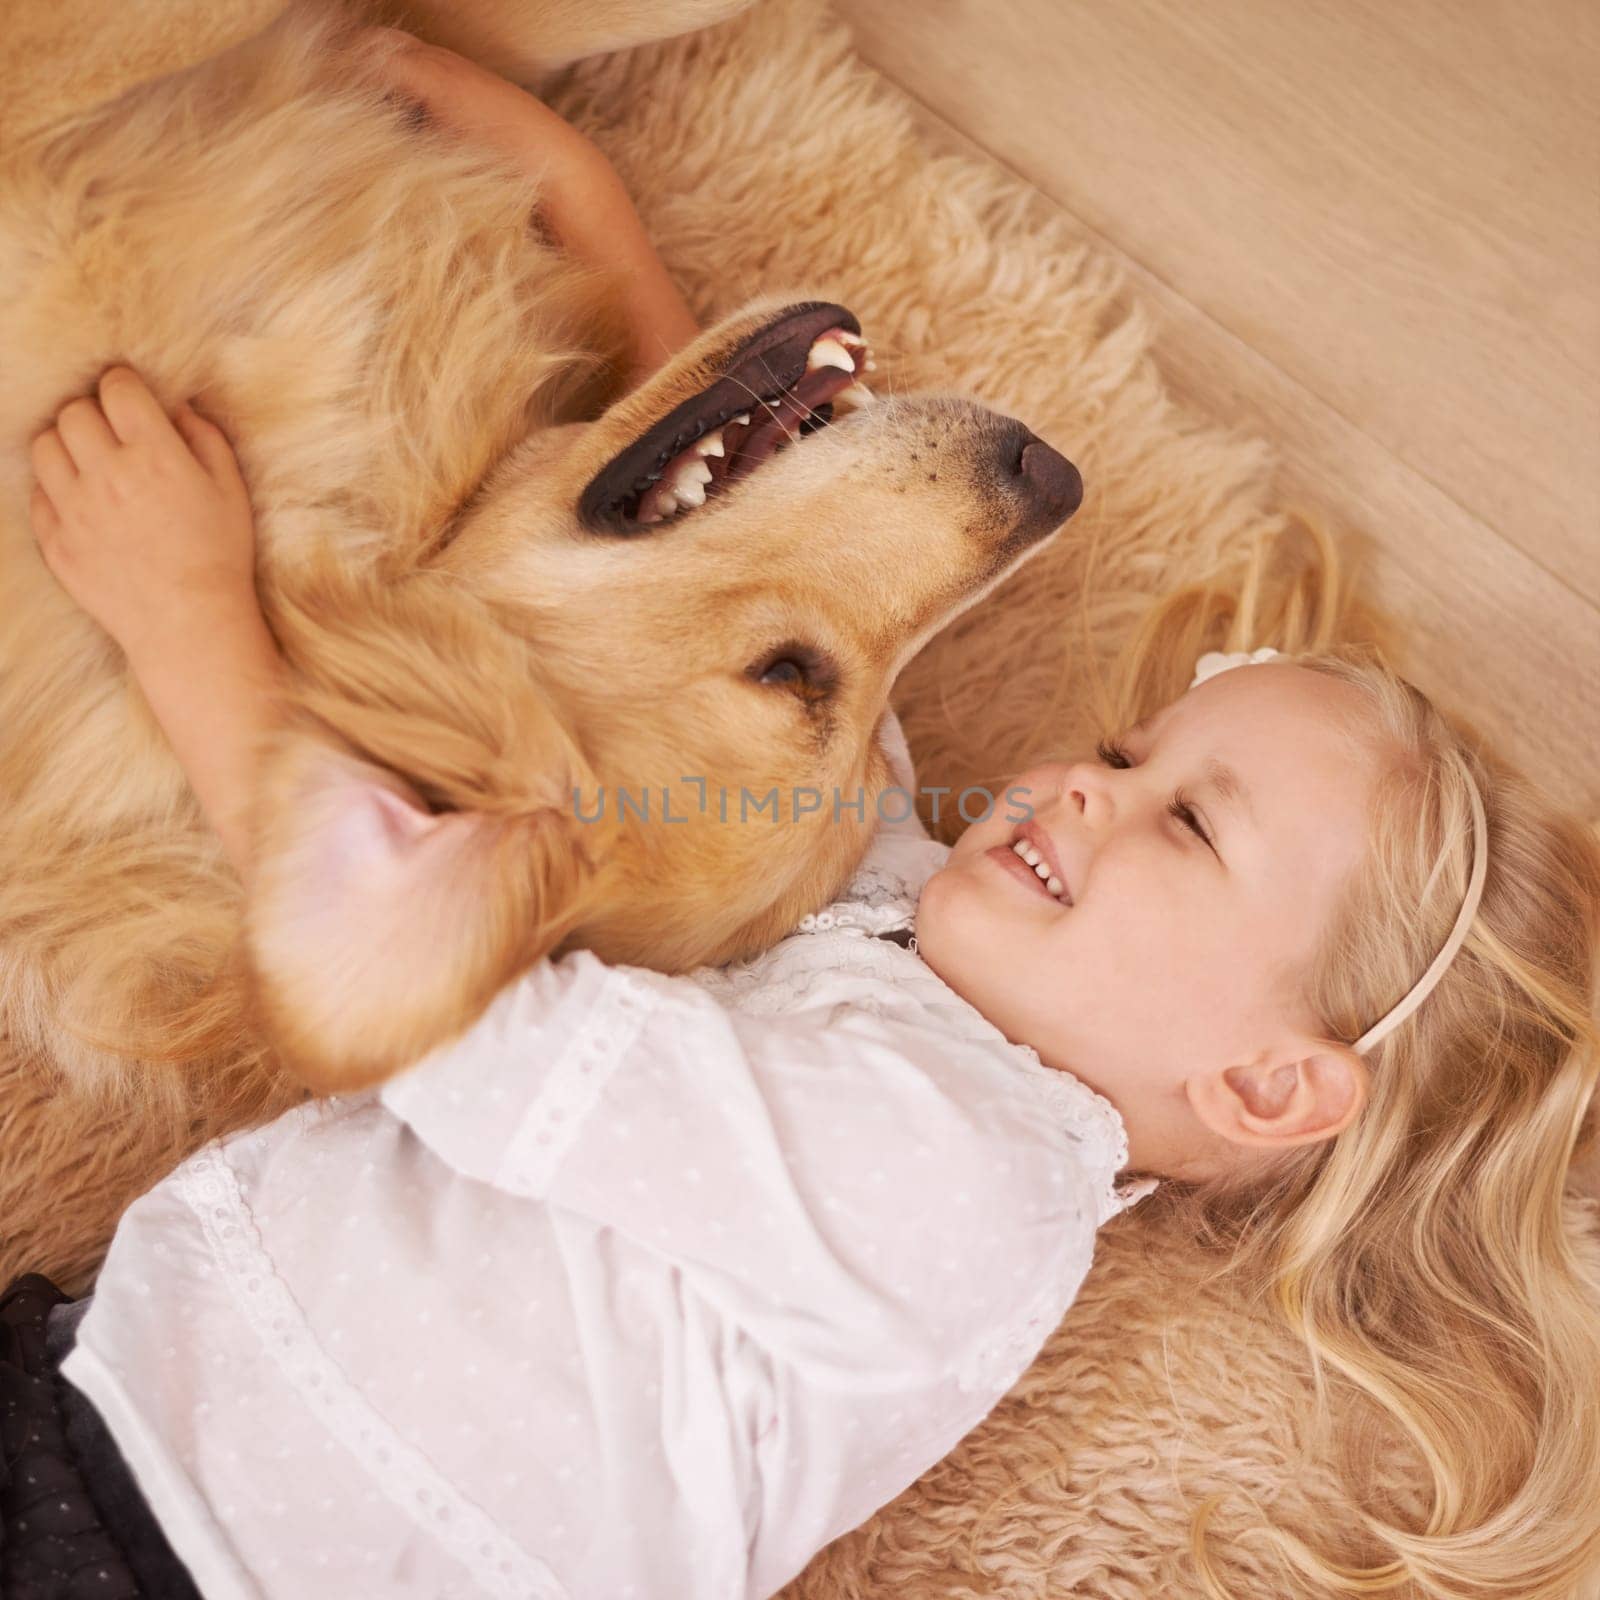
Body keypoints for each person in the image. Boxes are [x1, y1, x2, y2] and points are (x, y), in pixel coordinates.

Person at [5, 33, 1598, 1600]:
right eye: (1127, 746)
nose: (1080, 784)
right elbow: (770, 611)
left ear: (1262, 1082)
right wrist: (596, 224)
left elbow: (465, 1035)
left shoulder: (959, 1189)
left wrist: (190, 622)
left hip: (195, 1540)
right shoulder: (923, 950)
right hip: (135, 1403)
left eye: (1184, 826)